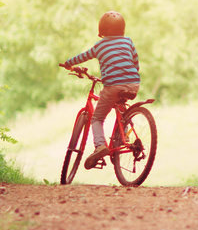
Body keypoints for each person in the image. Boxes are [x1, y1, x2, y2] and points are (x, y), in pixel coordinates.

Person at [59, 11, 140, 169]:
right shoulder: (128, 42)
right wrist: (130, 76)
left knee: (97, 118)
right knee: (121, 106)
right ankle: (125, 136)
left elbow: (83, 56)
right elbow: (135, 62)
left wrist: (69, 63)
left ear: (102, 29)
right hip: (134, 83)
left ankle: (100, 146)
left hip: (113, 86)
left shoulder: (100, 45)